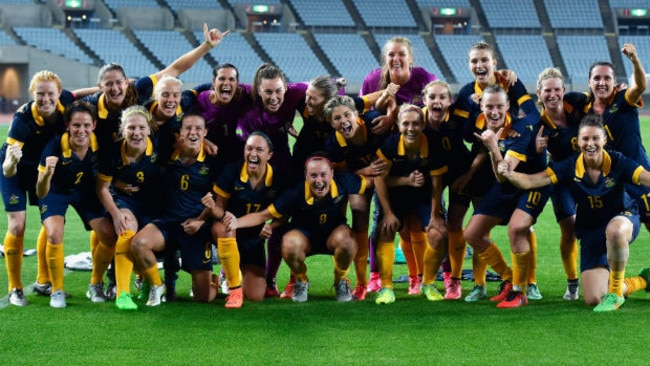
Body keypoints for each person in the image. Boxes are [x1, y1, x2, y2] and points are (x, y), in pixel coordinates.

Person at [498, 114, 650, 312]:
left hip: (623, 217)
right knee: (594, 298)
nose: (590, 143)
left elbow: (646, 177)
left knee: (615, 231)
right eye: (585, 139)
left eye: (596, 138)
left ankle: (615, 295)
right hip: (591, 231)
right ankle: (641, 280)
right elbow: (531, 181)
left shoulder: (618, 161)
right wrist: (509, 173)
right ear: (578, 142)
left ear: (604, 140)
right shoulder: (569, 166)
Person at [223, 154, 370, 303]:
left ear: (332, 173)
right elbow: (262, 215)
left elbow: (372, 182)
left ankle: (341, 281)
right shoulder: (295, 192)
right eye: (313, 175)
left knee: (348, 240)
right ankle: (301, 280)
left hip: (334, 236)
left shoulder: (343, 182)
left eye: (323, 175)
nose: (319, 181)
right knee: (289, 243)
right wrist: (237, 222)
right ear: (306, 176)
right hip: (305, 238)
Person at [360, 36, 438, 295]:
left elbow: (436, 107)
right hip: (383, 157)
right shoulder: (373, 80)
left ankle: (422, 278)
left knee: (417, 221)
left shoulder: (424, 78)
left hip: (416, 156)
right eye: (391, 54)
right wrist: (381, 118)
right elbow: (362, 115)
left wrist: (394, 116)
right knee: (380, 218)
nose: (396, 59)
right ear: (385, 58)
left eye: (401, 54)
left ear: (410, 58)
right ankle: (375, 276)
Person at [466, 84, 550, 308]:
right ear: (481, 107)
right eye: (489, 106)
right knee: (472, 234)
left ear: (508, 107)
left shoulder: (520, 130)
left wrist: (493, 147)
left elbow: (504, 174)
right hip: (506, 185)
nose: (494, 112)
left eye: (499, 106)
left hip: (531, 184)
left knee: (516, 228)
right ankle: (508, 277)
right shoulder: (480, 123)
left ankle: (519, 291)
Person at [0, 70, 78, 306]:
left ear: (59, 93)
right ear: (32, 94)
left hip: (44, 170)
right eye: (40, 94)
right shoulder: (22, 120)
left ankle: (44, 282)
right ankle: (15, 288)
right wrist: (12, 161)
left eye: (50, 94)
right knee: (17, 224)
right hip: (15, 170)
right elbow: (7, 170)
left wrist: (102, 89)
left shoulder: (66, 100)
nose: (46, 99)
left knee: (53, 221)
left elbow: (78, 94)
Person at [130, 112, 221, 306]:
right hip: (168, 223)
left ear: (205, 132)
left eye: (198, 129)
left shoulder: (213, 161)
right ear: (179, 133)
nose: (192, 132)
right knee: (138, 244)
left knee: (203, 298)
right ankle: (157, 284)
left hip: (196, 228)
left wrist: (201, 220)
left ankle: (214, 280)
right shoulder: (166, 155)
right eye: (188, 128)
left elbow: (217, 199)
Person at [35, 101, 116, 308]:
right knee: (54, 234)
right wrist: (47, 175)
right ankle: (57, 289)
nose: (82, 130)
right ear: (68, 126)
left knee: (108, 233)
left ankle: (96, 283)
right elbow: (40, 191)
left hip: (86, 192)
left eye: (86, 125)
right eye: (76, 125)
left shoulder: (100, 145)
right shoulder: (53, 147)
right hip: (55, 192)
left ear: (94, 125)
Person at [373, 104, 448, 304]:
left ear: (423, 125)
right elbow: (379, 179)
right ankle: (386, 287)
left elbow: (436, 183)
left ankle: (428, 283)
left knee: (439, 234)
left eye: (416, 123)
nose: (411, 128)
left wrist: (434, 215)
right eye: (406, 123)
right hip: (395, 196)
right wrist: (388, 212)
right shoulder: (389, 145)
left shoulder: (433, 145)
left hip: (423, 197)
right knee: (384, 230)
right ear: (398, 126)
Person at [201, 132, 288, 305]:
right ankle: (234, 289)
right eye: (249, 148)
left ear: (269, 155)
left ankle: (226, 275)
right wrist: (212, 208)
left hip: (253, 237)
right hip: (228, 229)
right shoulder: (232, 171)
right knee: (223, 229)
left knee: (256, 295)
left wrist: (272, 226)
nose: (253, 154)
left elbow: (284, 214)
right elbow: (219, 209)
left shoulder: (278, 178)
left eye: (259, 150)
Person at [571, 44, 649, 231]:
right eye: (597, 78)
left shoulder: (623, 99)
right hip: (611, 182)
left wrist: (635, 60)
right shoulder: (584, 111)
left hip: (638, 172)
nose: (602, 82)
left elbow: (640, 86)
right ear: (589, 82)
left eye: (607, 78)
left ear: (614, 82)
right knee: (608, 231)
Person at [95, 105, 163, 310]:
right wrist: (115, 215)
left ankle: (148, 281)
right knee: (126, 229)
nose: (137, 133)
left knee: (144, 242)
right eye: (131, 127)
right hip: (125, 201)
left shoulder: (161, 148)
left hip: (153, 203)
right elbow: (102, 188)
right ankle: (122, 294)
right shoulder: (112, 151)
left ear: (149, 129)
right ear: (123, 130)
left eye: (142, 128)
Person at [323, 95, 389, 300]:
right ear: (330, 123)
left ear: (356, 114)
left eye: (346, 115)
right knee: (359, 217)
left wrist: (392, 113)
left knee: (392, 222)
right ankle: (361, 283)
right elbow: (344, 174)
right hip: (359, 177)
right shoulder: (333, 144)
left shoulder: (375, 121)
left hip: (388, 176)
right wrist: (366, 170)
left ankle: (402, 279)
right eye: (336, 118)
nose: (343, 121)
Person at [421, 80, 479, 300]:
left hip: (458, 174)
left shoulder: (458, 117)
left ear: (450, 101)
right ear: (424, 99)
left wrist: (468, 175)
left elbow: (480, 145)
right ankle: (419, 278)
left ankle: (454, 281)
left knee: (455, 226)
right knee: (424, 227)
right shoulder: (417, 120)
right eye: (432, 97)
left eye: (442, 97)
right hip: (429, 176)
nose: (437, 101)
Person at [534, 68, 585, 300]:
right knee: (570, 231)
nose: (552, 94)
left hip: (589, 174)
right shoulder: (538, 123)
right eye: (547, 90)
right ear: (539, 93)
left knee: (598, 226)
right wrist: (537, 150)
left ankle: (603, 273)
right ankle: (572, 282)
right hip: (562, 179)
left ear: (564, 91)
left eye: (557, 89)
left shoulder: (577, 103)